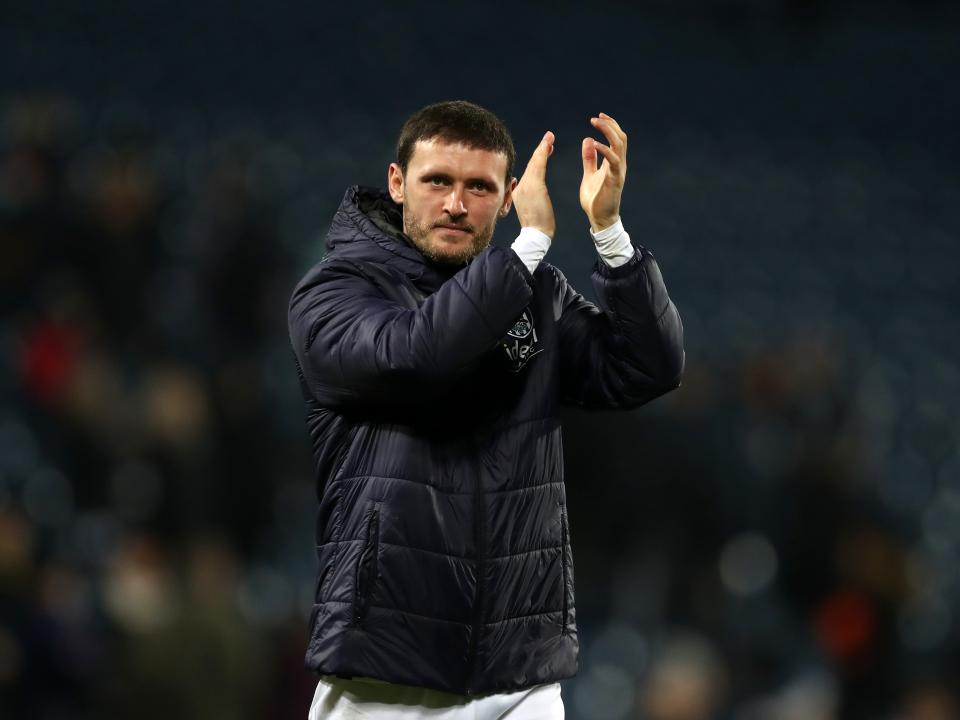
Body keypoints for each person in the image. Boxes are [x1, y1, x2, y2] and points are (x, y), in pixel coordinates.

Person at [287, 100, 685, 719]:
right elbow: (418, 355)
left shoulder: (536, 295)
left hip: (519, 669)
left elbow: (646, 369)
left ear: (506, 199)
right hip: (385, 671)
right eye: (437, 181)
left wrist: (608, 233)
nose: (455, 203)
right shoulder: (337, 291)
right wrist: (526, 250)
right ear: (397, 183)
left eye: (479, 187)